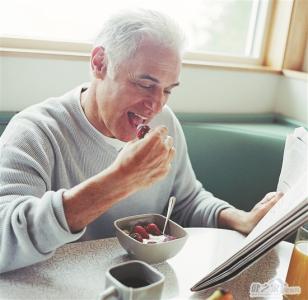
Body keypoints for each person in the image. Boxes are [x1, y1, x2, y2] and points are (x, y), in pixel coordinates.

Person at [0, 9, 282, 274]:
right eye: (145, 85)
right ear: (100, 63)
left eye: (167, 90)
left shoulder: (164, 122)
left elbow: (185, 201)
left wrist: (241, 219)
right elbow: (5, 238)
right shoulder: (35, 132)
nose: (156, 105)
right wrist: (118, 181)